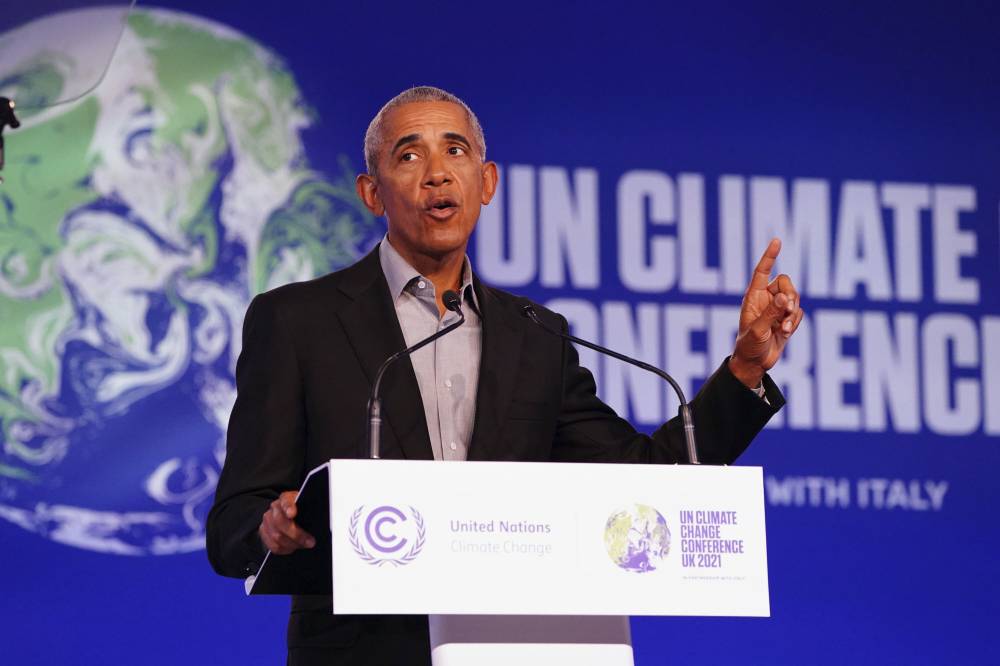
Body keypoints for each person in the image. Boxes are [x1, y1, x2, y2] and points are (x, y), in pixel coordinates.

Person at [206, 86, 802, 665]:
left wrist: (745, 369)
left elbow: (644, 481)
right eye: (409, 155)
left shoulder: (534, 334)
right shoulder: (297, 320)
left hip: (514, 646)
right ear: (371, 192)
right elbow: (233, 523)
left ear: (486, 183)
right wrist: (270, 528)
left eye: (456, 151)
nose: (437, 174)